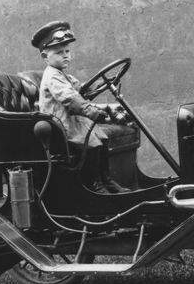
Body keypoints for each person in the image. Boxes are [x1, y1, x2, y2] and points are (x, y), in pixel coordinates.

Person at [31, 20, 128, 194]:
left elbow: (81, 89)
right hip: (60, 126)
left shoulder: (62, 74)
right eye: (59, 52)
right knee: (92, 142)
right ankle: (93, 185)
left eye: (67, 51)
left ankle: (106, 179)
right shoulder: (52, 76)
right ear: (45, 57)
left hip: (73, 121)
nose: (66, 55)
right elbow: (70, 98)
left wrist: (104, 83)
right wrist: (90, 111)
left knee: (102, 137)